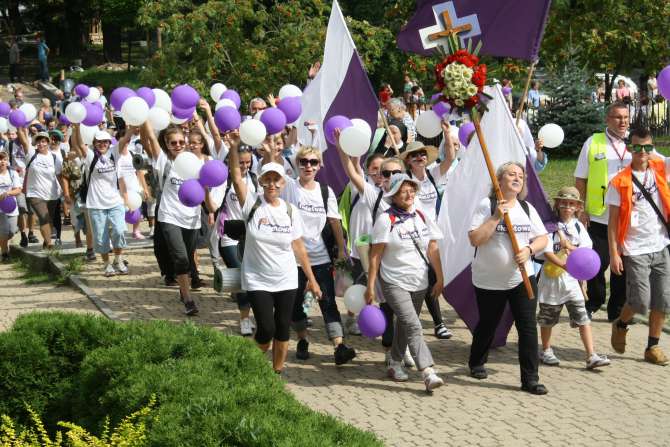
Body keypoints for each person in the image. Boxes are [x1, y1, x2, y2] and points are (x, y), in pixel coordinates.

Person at [227, 135, 321, 374]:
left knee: (282, 327)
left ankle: (275, 372)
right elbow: (237, 178)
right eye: (267, 179)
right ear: (260, 182)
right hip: (258, 278)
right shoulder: (253, 205)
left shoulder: (291, 211)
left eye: (276, 180)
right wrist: (235, 147)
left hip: (287, 278)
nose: (271, 184)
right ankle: (253, 363)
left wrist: (311, 278)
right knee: (266, 329)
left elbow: (298, 246)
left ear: (282, 183)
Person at [468, 161, 549, 395]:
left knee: (527, 327)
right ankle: (476, 361)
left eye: (521, 176)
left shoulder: (526, 208)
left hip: (521, 278)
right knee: (488, 323)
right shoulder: (487, 205)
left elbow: (543, 238)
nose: (517, 178)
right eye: (511, 174)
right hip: (489, 280)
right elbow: (475, 239)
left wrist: (529, 251)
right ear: (499, 180)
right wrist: (495, 217)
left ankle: (530, 379)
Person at [366, 173, 445, 391]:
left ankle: (393, 362)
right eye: (403, 191)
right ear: (393, 195)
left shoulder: (421, 214)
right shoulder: (385, 219)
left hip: (419, 281)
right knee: (413, 324)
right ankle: (427, 371)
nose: (409, 194)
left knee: (404, 324)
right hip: (394, 281)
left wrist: (439, 277)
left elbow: (433, 247)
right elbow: (375, 255)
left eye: (411, 189)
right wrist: (371, 285)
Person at [278, 144, 356, 365]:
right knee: (297, 305)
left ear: (320, 166)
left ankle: (339, 346)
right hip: (293, 260)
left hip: (321, 258)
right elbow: (273, 168)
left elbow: (334, 221)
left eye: (313, 162)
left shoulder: (325, 191)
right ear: (297, 165)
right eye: (304, 162)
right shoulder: (290, 187)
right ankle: (302, 339)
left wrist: (341, 249)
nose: (308, 166)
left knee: (327, 302)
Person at [607, 128, 670, 366]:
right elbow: (613, 222)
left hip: (661, 245)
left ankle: (652, 347)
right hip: (634, 249)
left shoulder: (662, 170)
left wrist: (657, 155)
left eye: (647, 147)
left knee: (663, 301)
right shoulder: (619, 181)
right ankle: (621, 324)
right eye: (636, 147)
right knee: (640, 301)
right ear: (629, 149)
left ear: (652, 149)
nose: (642, 152)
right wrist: (614, 253)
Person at [142, 123, 217, 315]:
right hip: (169, 216)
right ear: (166, 145)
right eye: (173, 143)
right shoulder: (163, 162)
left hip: (191, 219)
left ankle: (184, 289)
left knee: (189, 255)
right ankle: (188, 298)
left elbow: (207, 195)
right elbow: (150, 136)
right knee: (181, 258)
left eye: (180, 142)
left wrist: (210, 208)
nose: (177, 145)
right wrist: (143, 117)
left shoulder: (197, 164)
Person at [537, 186, 610, 369]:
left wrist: (570, 248)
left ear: (578, 206)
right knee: (548, 318)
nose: (567, 206)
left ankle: (591, 355)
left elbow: (586, 252)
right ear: (557, 204)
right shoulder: (549, 226)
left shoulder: (578, 226)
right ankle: (546, 350)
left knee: (582, 317)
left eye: (572, 203)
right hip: (551, 281)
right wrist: (565, 264)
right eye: (564, 202)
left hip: (572, 283)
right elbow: (546, 252)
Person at [574, 102, 635, 321]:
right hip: (600, 214)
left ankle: (616, 310)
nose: (623, 122)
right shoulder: (593, 142)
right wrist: (580, 208)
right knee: (597, 263)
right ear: (607, 120)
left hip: (627, 217)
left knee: (623, 267)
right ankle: (594, 301)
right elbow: (580, 178)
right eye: (618, 117)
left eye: (626, 117)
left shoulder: (635, 145)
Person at [402, 138, 455, 339]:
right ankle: (436, 323)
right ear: (408, 160)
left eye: (422, 154)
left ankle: (436, 323)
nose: (419, 157)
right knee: (422, 277)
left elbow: (450, 158)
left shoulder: (433, 175)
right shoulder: (403, 179)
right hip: (412, 236)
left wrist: (447, 133)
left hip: (433, 237)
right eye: (414, 155)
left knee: (431, 277)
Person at [70, 125, 129, 276]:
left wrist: (133, 125)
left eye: (105, 142)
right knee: (101, 236)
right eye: (99, 142)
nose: (102, 144)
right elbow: (78, 144)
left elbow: (126, 139)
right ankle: (106, 264)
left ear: (110, 144)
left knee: (119, 231)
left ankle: (118, 259)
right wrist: (76, 128)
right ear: (94, 143)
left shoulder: (114, 154)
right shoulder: (90, 156)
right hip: (95, 204)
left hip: (115, 202)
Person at [23, 130, 63, 250]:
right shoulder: (31, 154)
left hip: (52, 193)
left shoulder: (55, 158)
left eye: (44, 141)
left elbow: (59, 176)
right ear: (35, 144)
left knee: (49, 219)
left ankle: (46, 242)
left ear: (48, 142)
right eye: (39, 142)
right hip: (34, 193)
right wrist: (21, 126)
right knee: (43, 217)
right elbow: (24, 140)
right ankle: (50, 245)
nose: (41, 144)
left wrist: (66, 193)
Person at [0, 151, 22, 262]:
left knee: (12, 231)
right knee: (3, 231)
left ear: (7, 161)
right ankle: (5, 253)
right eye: (0, 159)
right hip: (0, 209)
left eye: (4, 159)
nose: (2, 162)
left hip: (11, 206)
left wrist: (8, 193)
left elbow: (18, 189)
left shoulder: (12, 173)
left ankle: (2, 242)